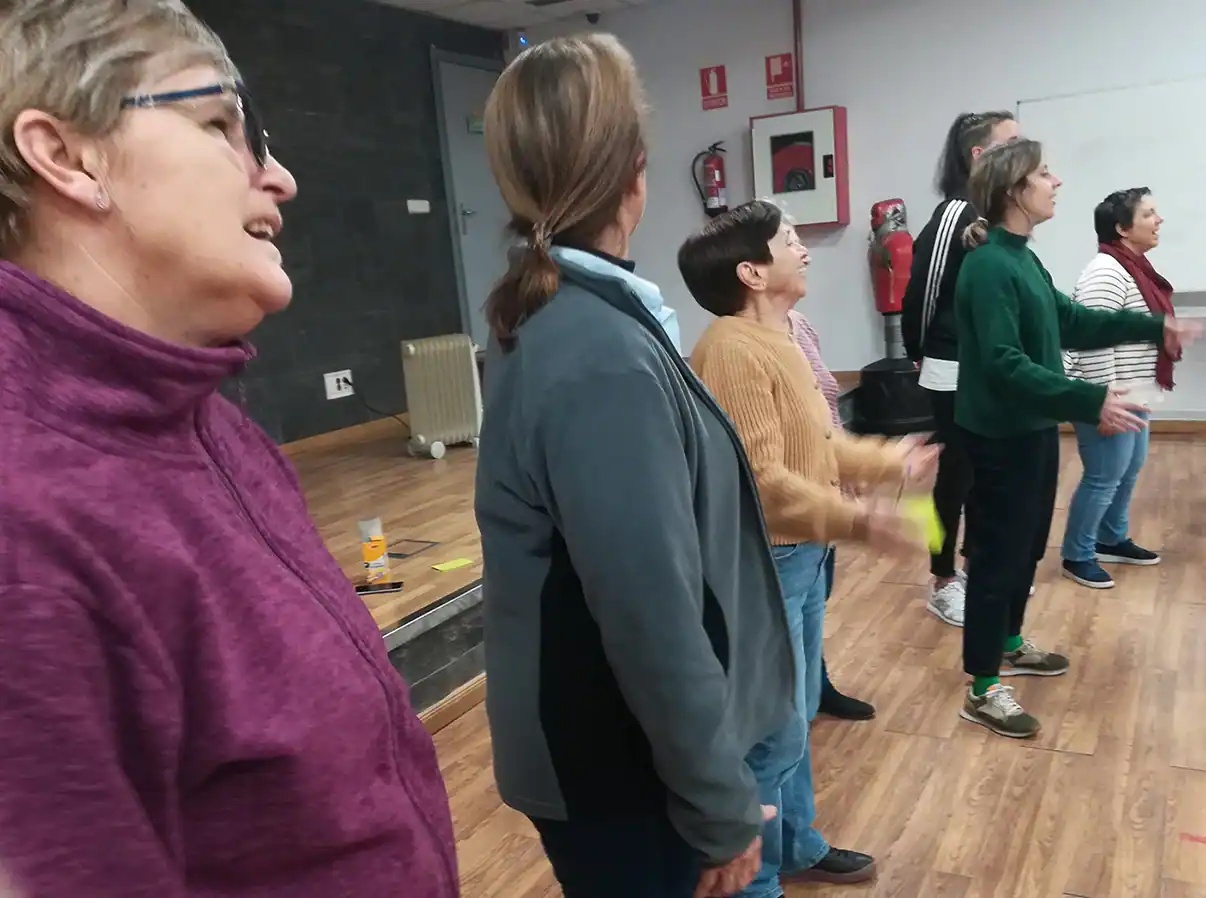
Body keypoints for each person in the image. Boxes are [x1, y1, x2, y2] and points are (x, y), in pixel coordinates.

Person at [0, 2, 457, 896]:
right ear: (67, 156)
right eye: (219, 124)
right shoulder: (25, 518)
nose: (278, 177)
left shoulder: (212, 424)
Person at [474, 35, 796, 898]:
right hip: (622, 773)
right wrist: (719, 803)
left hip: (622, 761)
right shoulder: (595, 351)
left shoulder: (575, 317)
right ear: (635, 173)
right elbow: (649, 611)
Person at [680, 199, 940, 894]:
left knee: (791, 724)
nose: (805, 249)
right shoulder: (732, 351)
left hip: (802, 555)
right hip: (770, 560)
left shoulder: (780, 338)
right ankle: (756, 881)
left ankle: (795, 847)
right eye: (790, 241)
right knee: (773, 734)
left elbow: (817, 442)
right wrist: (860, 524)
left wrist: (892, 463)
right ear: (752, 272)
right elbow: (763, 484)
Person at [952, 140, 1199, 739]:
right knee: (994, 559)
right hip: (997, 439)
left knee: (1028, 548)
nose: (1055, 181)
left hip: (1032, 432)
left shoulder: (1021, 258)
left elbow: (1074, 321)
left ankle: (1010, 643)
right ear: (1014, 191)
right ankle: (982, 689)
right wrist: (1090, 399)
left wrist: (1154, 323)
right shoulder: (988, 267)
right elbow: (1004, 363)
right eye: (1043, 174)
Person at [901, 110, 1019, 628]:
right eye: (1012, 143)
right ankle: (942, 580)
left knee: (986, 474)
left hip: (987, 368)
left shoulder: (995, 216)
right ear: (980, 155)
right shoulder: (954, 213)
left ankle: (971, 569)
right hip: (949, 365)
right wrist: (919, 350)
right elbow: (921, 292)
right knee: (954, 478)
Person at [1060, 188, 1170, 588]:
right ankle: (1077, 553)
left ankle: (1110, 537)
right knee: (1105, 474)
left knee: (1128, 468)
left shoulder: (1133, 268)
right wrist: (1102, 402)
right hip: (1107, 394)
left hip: (1132, 390)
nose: (1159, 221)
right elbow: (1091, 340)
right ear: (1123, 229)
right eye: (1149, 214)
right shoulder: (1106, 272)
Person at [787, 308, 874, 722]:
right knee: (796, 605)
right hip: (793, 507)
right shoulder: (740, 344)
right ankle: (801, 700)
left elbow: (827, 408)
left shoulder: (800, 324)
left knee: (816, 598)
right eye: (788, 240)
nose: (802, 250)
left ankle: (817, 686)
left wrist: (849, 468)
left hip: (825, 487)